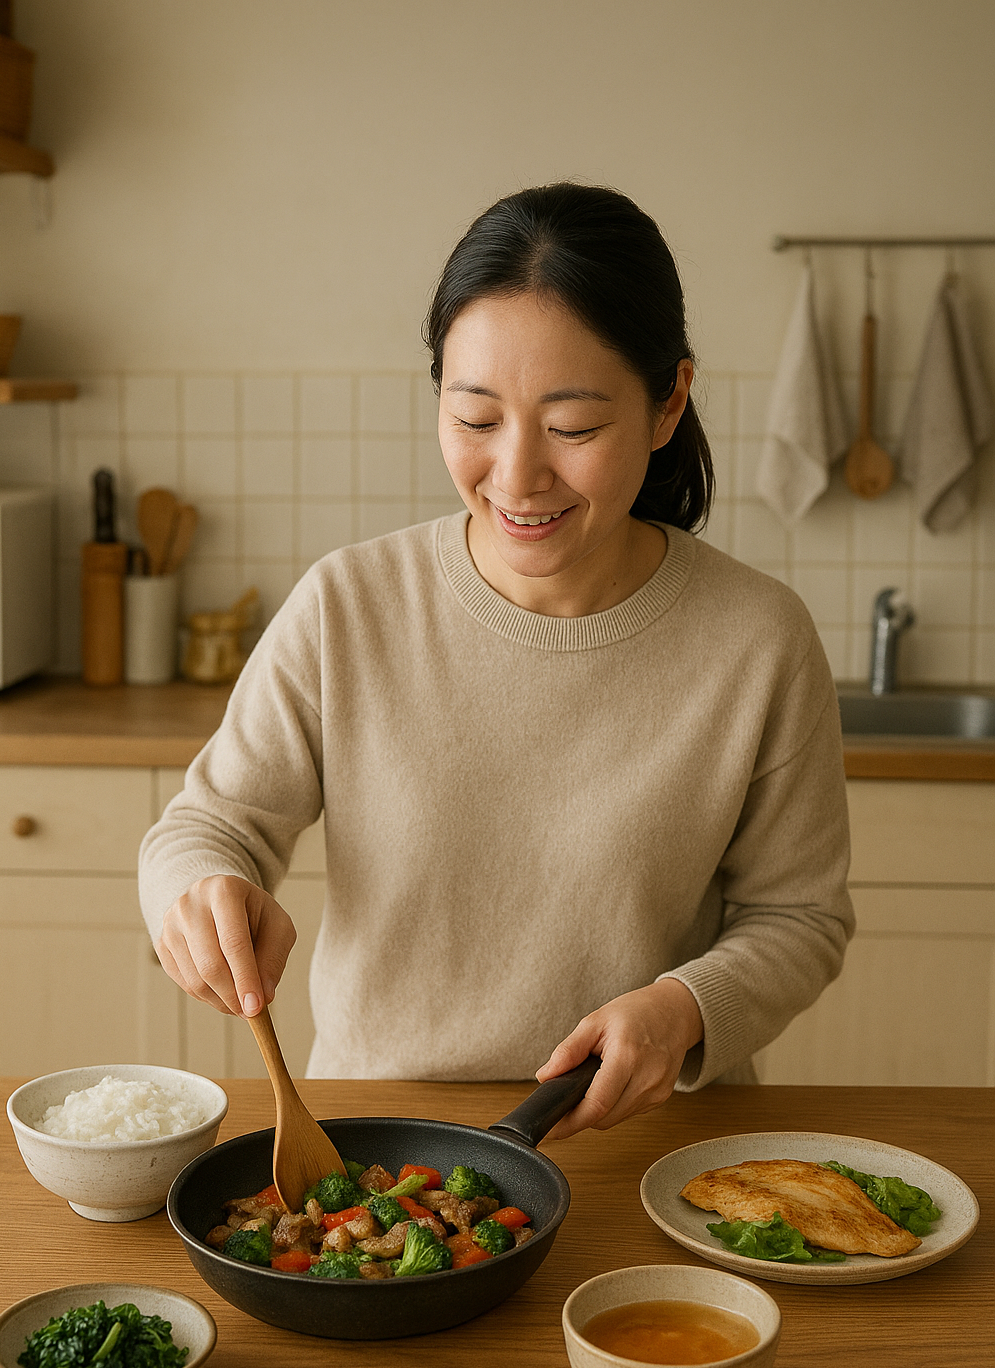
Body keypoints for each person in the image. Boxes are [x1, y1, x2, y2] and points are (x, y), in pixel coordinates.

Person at [140, 183, 853, 1138]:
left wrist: (685, 1009)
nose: (516, 477)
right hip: (372, 1151)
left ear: (668, 400)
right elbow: (208, 825)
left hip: (646, 1150)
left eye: (573, 428)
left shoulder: (759, 640)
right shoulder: (349, 606)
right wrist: (201, 893)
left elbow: (799, 916)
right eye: (475, 420)